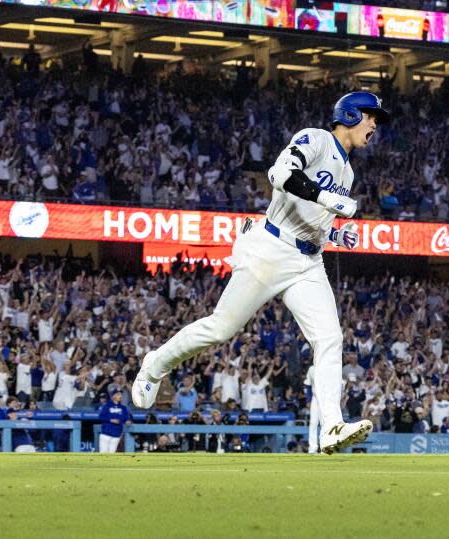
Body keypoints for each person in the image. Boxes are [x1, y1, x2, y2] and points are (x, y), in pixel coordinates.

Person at [132, 92, 390, 455]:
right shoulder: (316, 139)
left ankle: (332, 424)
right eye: (369, 116)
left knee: (330, 339)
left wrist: (334, 233)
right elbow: (280, 174)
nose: (374, 124)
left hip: (308, 262)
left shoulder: (348, 170)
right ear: (348, 114)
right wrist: (329, 200)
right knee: (221, 328)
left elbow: (312, 220)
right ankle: (155, 363)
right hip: (271, 248)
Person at [99, 389, 131, 453]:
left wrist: (127, 421)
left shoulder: (123, 408)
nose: (120, 396)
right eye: (118, 394)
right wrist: (110, 420)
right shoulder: (107, 406)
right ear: (113, 396)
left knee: (112, 455)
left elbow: (127, 418)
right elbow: (101, 417)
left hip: (116, 435)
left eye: (121, 394)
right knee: (103, 455)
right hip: (106, 434)